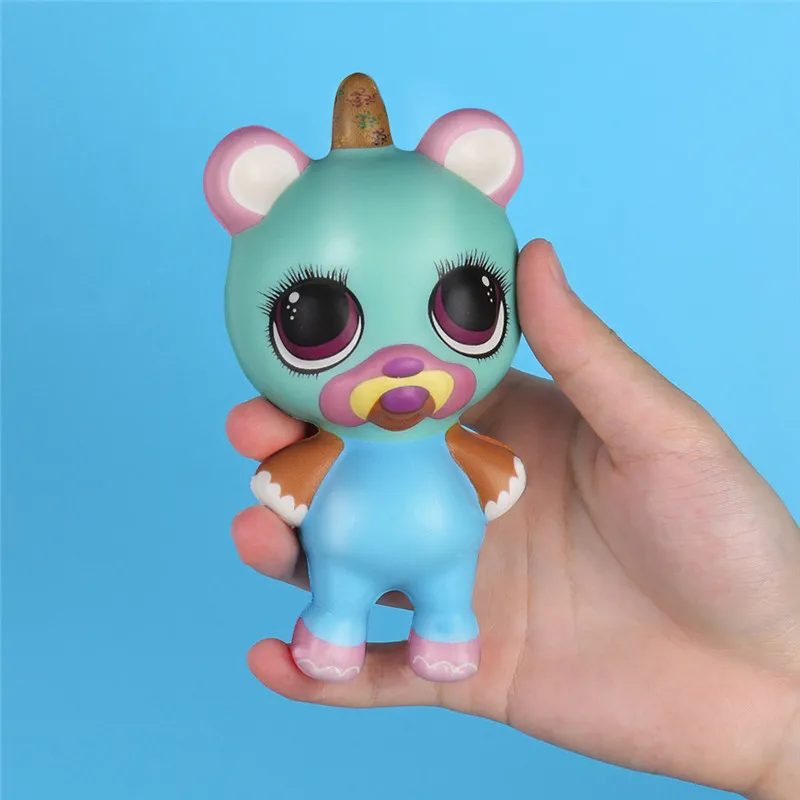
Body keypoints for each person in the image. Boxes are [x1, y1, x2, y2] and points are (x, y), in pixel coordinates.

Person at [225, 240, 799, 799]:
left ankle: (446, 628)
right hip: (344, 552)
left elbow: (484, 461)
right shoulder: (339, 442)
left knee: (448, 596)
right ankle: (336, 626)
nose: (402, 362)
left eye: (464, 309)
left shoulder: (449, 437)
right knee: (339, 595)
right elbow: (303, 468)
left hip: (448, 556)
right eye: (319, 325)